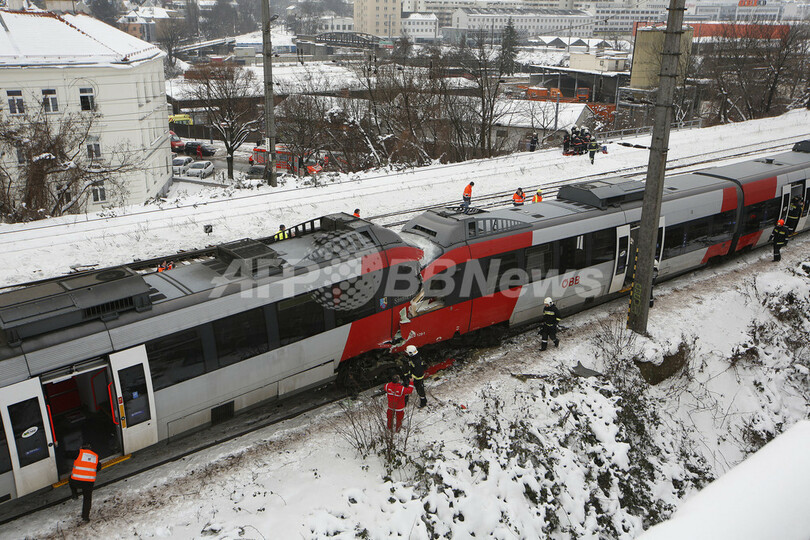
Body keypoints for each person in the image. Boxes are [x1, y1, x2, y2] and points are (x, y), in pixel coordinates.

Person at [69, 443, 101, 522]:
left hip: (76, 481)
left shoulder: (78, 453)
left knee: (70, 478)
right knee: (87, 499)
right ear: (90, 449)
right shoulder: (95, 456)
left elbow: (66, 454)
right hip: (88, 483)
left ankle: (74, 494)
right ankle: (85, 517)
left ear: (81, 448)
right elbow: (98, 467)